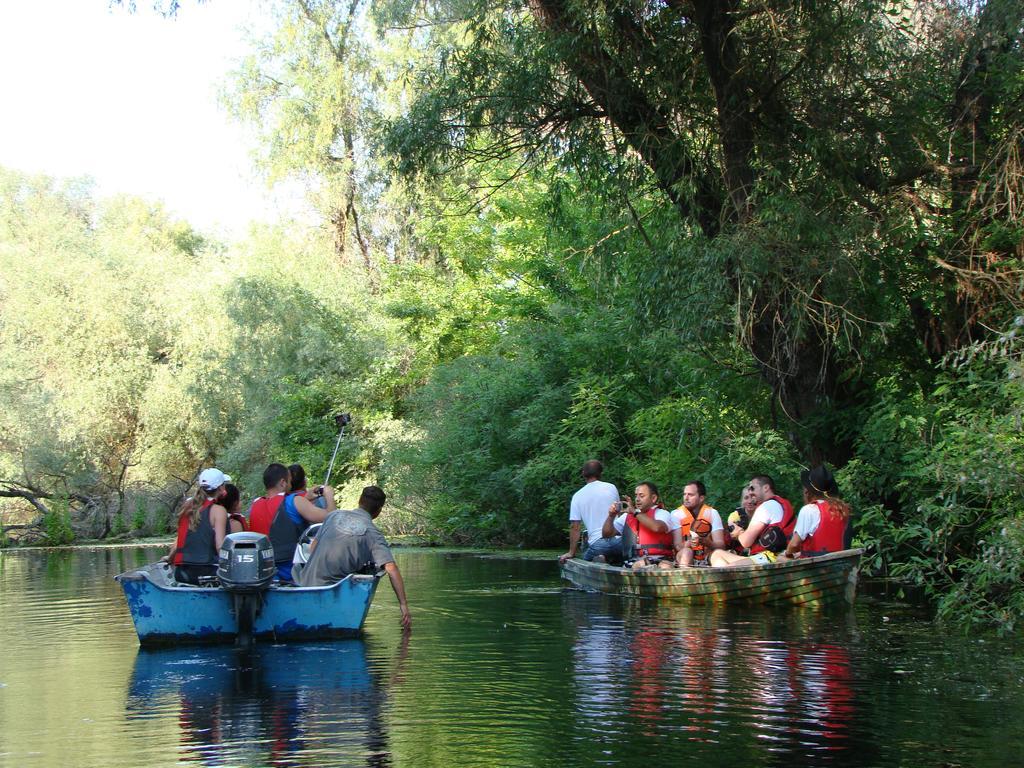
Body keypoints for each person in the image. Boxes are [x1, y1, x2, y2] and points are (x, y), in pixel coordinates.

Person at [296, 485, 412, 630]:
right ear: (378, 511)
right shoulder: (373, 534)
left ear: (359, 501)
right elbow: (391, 568)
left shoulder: (333, 516)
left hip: (304, 585)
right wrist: (403, 605)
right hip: (331, 592)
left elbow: (313, 548)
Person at [249, 463, 334, 582]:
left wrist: (306, 498)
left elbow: (277, 512)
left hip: (262, 569)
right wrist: (329, 495)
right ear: (283, 483)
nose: (290, 484)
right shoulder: (294, 501)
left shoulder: (255, 504)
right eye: (289, 481)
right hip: (289, 569)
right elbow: (330, 517)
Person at [710, 475, 795, 567]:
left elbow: (746, 542)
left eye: (752, 488)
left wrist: (738, 532)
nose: (750, 492)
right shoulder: (778, 502)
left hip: (771, 557)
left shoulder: (766, 507)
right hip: (774, 555)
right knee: (717, 554)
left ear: (766, 488)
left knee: (727, 568)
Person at [168, 467, 230, 584]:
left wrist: (169, 558)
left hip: (181, 573)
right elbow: (220, 547)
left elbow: (178, 542)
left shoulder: (187, 506)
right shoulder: (219, 510)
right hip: (206, 573)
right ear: (221, 488)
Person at [602, 482, 681, 569]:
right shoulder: (627, 516)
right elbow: (606, 534)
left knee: (664, 566)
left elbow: (657, 527)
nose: (637, 499)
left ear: (653, 498)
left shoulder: (662, 513)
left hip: (661, 559)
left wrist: (635, 512)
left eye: (642, 496)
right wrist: (611, 516)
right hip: (633, 562)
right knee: (639, 565)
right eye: (636, 496)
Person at [780, 465, 851, 559]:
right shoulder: (841, 509)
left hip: (816, 564)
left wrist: (787, 554)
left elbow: (794, 545)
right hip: (837, 560)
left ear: (807, 492)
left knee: (780, 558)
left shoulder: (809, 510)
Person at [559, 459, 621, 564]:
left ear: (583, 473)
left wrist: (571, 552)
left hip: (598, 544)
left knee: (586, 556)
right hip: (619, 541)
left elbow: (575, 527)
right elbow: (619, 514)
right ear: (600, 473)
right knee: (620, 554)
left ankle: (599, 558)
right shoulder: (611, 487)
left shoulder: (577, 496)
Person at [672, 481, 726, 567]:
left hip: (707, 556)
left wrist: (707, 542)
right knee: (687, 552)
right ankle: (685, 579)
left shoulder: (712, 513)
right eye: (684, 494)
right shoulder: (676, 514)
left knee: (718, 556)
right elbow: (677, 546)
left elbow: (721, 545)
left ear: (701, 498)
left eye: (690, 495)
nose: (686, 498)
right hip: (684, 555)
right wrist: (689, 543)